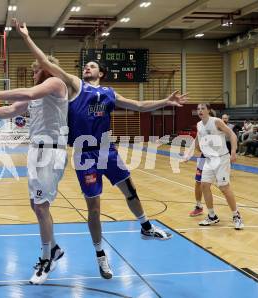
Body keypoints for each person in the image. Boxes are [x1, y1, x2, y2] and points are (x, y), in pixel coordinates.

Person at [13, 19, 186, 280]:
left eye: (92, 65)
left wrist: (166, 101)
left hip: (107, 149)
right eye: (86, 65)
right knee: (94, 207)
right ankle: (100, 255)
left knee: (130, 190)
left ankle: (146, 226)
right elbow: (48, 65)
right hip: (84, 154)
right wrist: (27, 38)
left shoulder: (109, 93)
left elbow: (138, 105)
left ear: (101, 73)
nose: (87, 66)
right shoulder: (74, 86)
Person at [0, 55, 68, 285]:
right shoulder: (37, 92)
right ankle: (53, 248)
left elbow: (28, 93)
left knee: (42, 206)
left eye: (36, 70)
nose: (34, 74)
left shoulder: (56, 83)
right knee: (35, 205)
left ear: (47, 69)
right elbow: (13, 109)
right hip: (36, 151)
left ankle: (47, 259)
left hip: (51, 151)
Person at [185, 103, 244, 230]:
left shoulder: (216, 121)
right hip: (207, 160)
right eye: (198, 109)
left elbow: (232, 135)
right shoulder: (199, 124)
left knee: (224, 188)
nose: (200, 111)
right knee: (204, 185)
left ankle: (236, 215)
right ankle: (212, 216)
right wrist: (188, 154)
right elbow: (196, 140)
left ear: (208, 110)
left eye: (203, 109)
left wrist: (233, 152)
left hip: (221, 159)